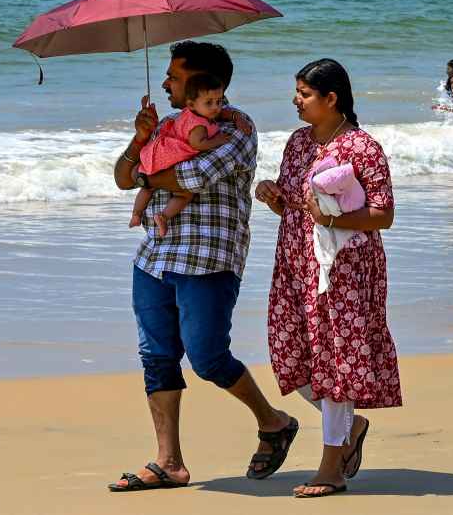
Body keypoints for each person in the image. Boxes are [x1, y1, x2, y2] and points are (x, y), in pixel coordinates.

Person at [110, 41, 298, 492]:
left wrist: (147, 173)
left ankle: (273, 422)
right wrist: (141, 139)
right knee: (156, 357)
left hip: (208, 261)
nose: (166, 83)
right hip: (154, 257)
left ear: (201, 81)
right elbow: (121, 177)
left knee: (208, 358)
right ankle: (168, 461)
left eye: (174, 76)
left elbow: (193, 177)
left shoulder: (235, 126)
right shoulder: (169, 125)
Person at [255, 59, 402, 498]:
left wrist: (333, 218)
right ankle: (350, 426)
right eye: (297, 92)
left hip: (347, 268)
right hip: (297, 262)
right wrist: (273, 197)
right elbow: (295, 206)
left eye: (304, 93)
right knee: (290, 354)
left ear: (331, 98)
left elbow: (384, 214)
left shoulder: (362, 147)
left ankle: (331, 468)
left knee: (334, 362)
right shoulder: (299, 142)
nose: (295, 100)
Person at [129, 72, 250, 237]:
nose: (216, 107)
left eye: (219, 102)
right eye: (210, 103)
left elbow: (220, 112)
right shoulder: (200, 124)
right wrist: (218, 140)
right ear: (192, 104)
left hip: (158, 153)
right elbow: (197, 143)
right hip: (169, 157)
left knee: (146, 188)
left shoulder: (189, 113)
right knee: (184, 193)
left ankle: (136, 214)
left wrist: (234, 116)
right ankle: (164, 216)